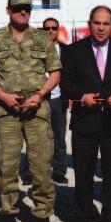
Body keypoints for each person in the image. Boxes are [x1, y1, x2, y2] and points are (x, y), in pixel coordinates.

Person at [0, 0, 61, 222]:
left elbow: (55, 72)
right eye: (17, 8)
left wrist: (41, 93)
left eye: (27, 8)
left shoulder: (42, 39)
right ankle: (8, 220)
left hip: (37, 112)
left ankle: (42, 217)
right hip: (6, 112)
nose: (23, 12)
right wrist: (2, 95)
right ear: (8, 10)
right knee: (7, 168)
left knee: (41, 168)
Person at [60, 5, 111, 222]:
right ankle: (84, 221)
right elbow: (65, 82)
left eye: (106, 23)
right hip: (84, 123)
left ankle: (108, 221)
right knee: (83, 175)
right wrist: (82, 97)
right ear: (89, 24)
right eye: (97, 23)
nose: (101, 28)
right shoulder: (73, 51)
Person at [41, 17, 69, 185]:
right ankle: (32, 171)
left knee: (59, 136)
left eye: (53, 28)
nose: (50, 31)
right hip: (39, 99)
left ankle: (59, 170)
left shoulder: (66, 50)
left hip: (58, 99)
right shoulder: (35, 50)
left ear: (58, 29)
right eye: (47, 28)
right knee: (36, 137)